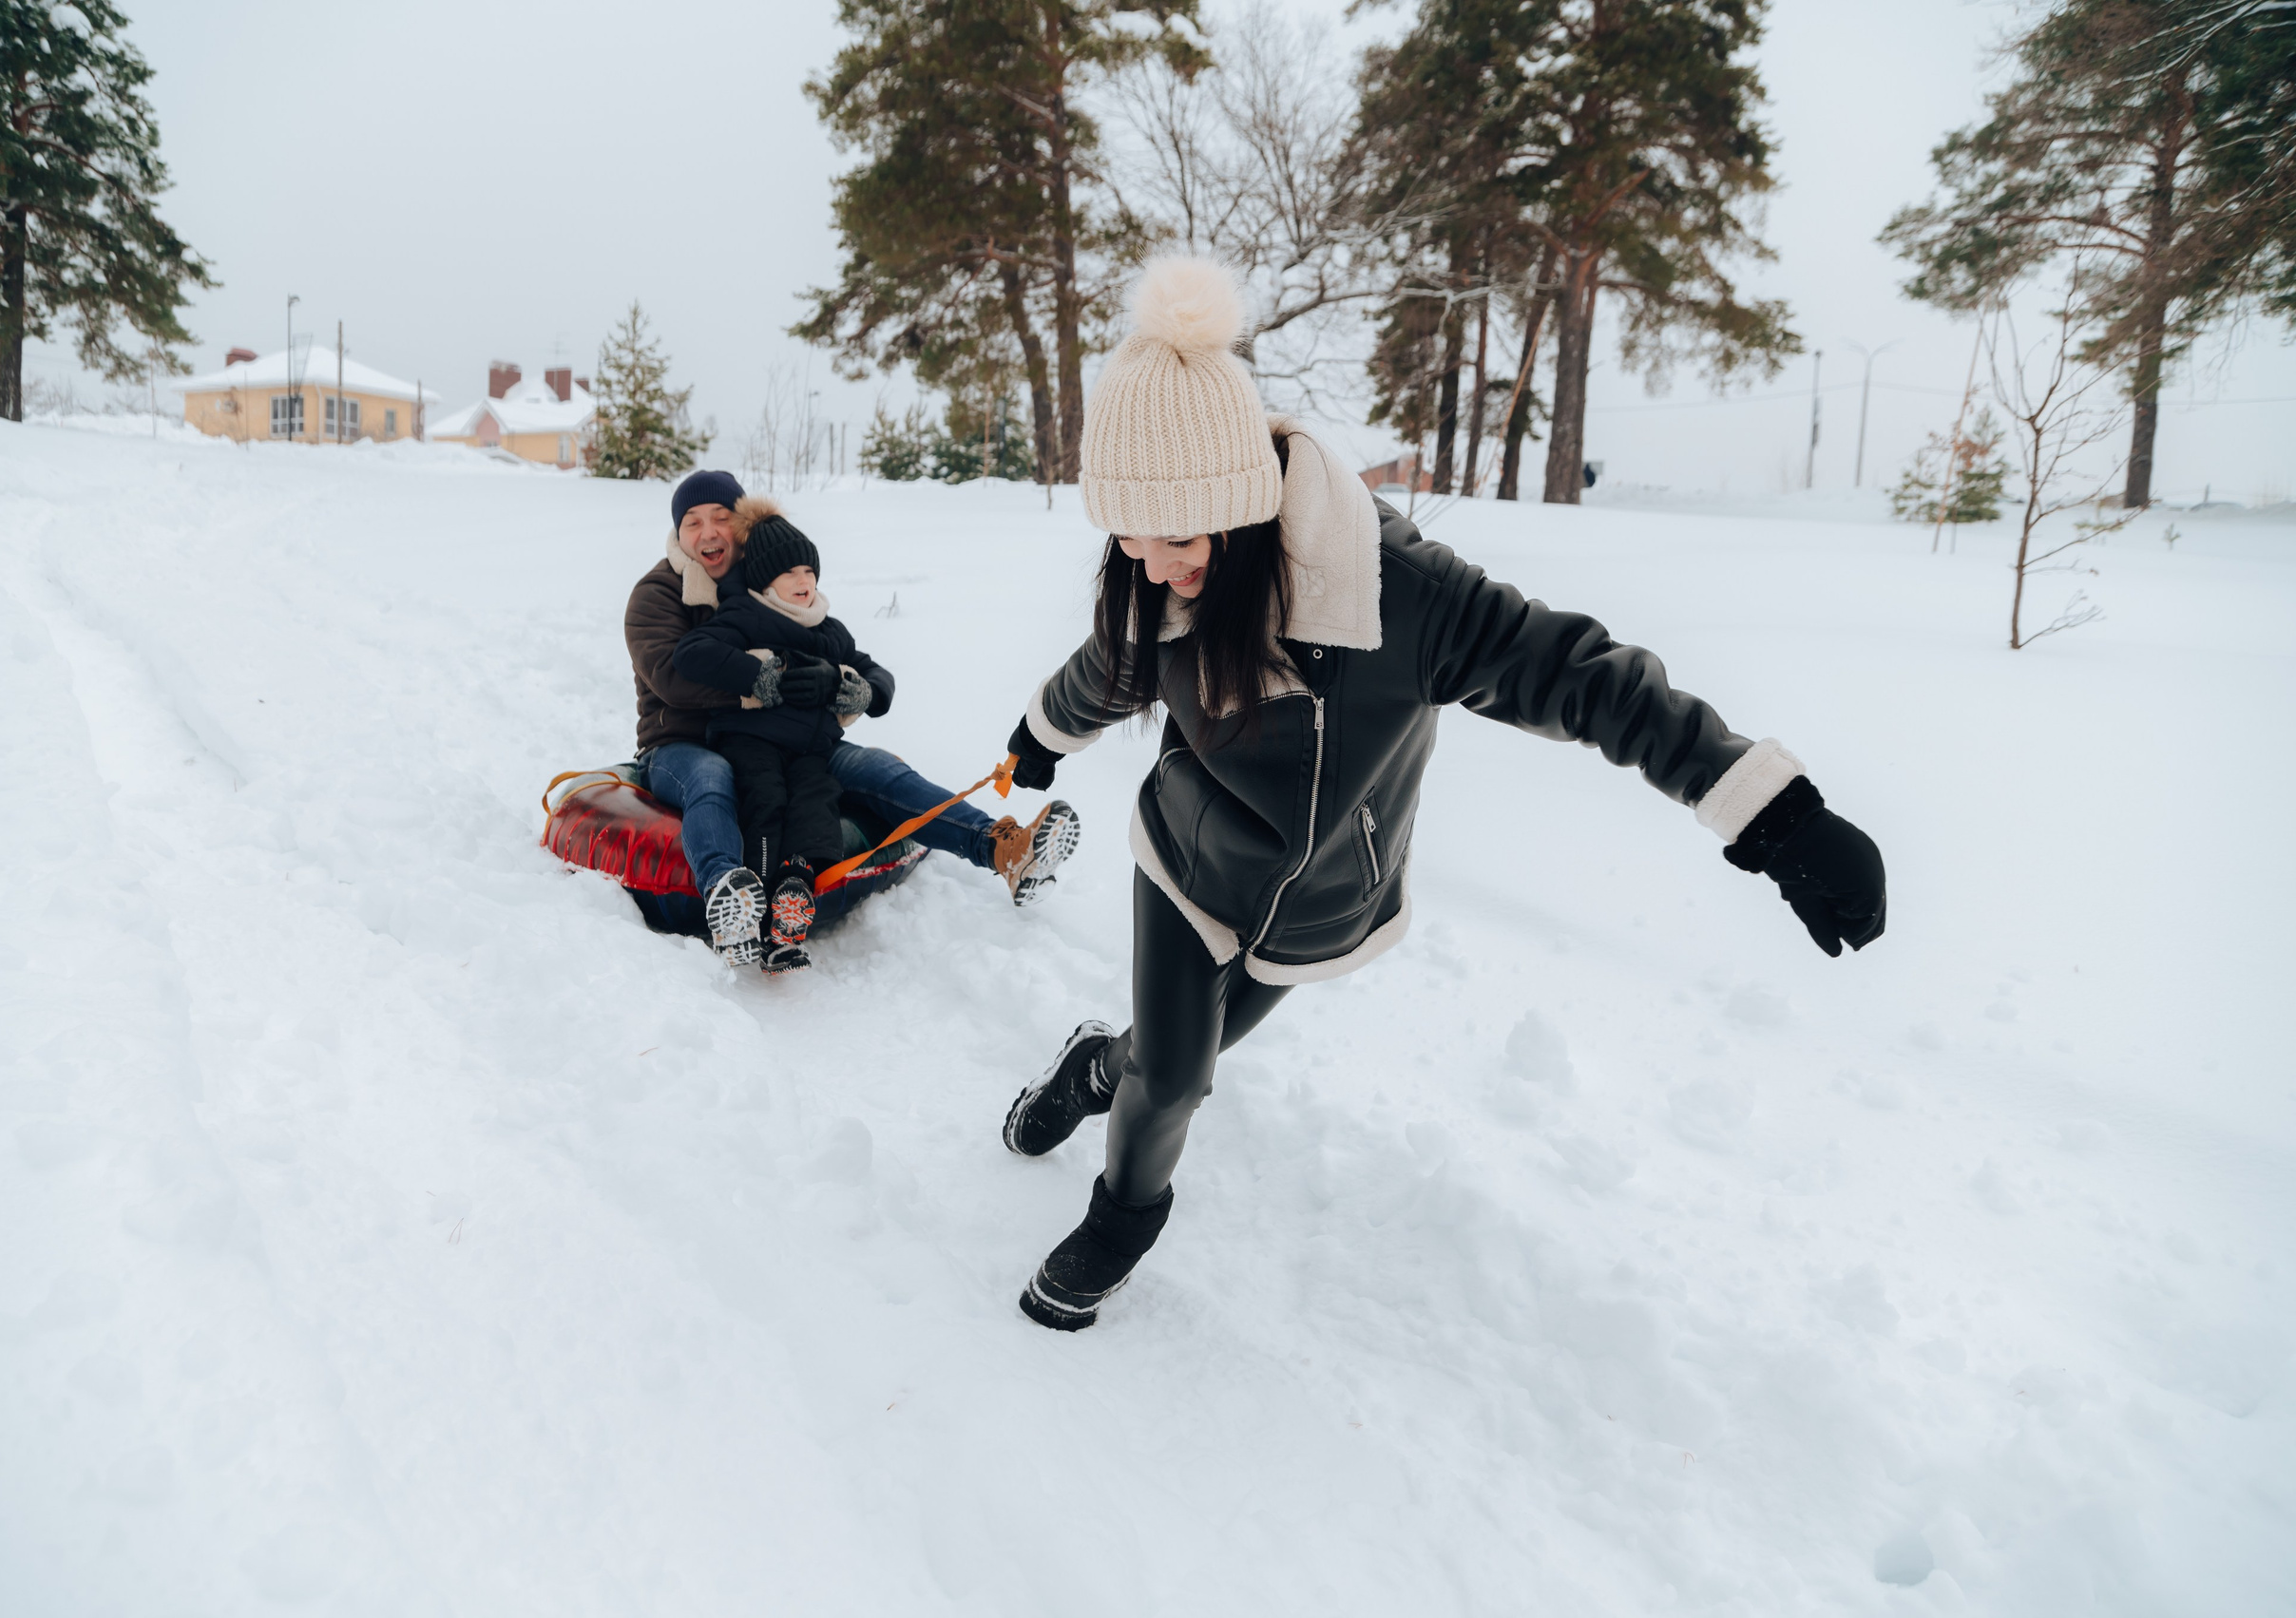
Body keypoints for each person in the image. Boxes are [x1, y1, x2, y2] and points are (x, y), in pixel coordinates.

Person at [995, 257, 1887, 1331]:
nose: (1153, 571)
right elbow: (1111, 666)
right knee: (1179, 1080)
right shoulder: (1161, 575)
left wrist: (1773, 812)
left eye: (1176, 543)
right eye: (1128, 546)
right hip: (1189, 863)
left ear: (1237, 505)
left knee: (1169, 1058)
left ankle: (1100, 1064)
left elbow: (1580, 676)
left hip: (1324, 894)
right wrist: (1039, 737)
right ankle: (1121, 1218)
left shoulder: (1395, 597)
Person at [624, 471, 1082, 967]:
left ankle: (1001, 847)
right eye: (694, 522)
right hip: (680, 743)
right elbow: (671, 675)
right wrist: (766, 681)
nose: (709, 532)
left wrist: (842, 684)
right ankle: (729, 895)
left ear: (742, 528)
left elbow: (843, 652)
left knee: (878, 771)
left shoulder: (770, 579)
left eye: (721, 518)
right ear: (678, 531)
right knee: (713, 779)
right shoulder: (657, 593)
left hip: (792, 739)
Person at [673, 513, 889, 973]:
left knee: (816, 804)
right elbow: (693, 653)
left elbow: (874, 670)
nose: (804, 581)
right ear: (766, 579)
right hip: (751, 741)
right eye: (791, 571)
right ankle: (752, 905)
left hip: (811, 749)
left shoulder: (829, 628)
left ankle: (792, 899)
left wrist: (868, 690)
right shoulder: (746, 613)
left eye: (810, 571)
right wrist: (758, 673)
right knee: (764, 801)